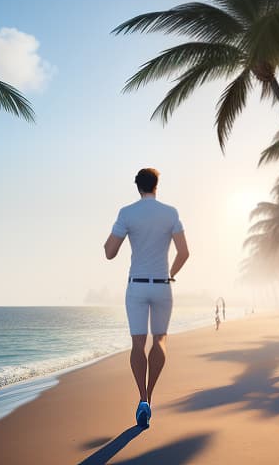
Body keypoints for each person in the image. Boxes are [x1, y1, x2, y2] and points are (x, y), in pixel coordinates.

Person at [104, 168, 189, 428]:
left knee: (138, 344)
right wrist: (170, 275)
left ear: (137, 186)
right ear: (156, 185)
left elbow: (109, 252)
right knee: (160, 340)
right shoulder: (170, 213)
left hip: (137, 286)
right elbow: (184, 253)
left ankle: (142, 399)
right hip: (162, 285)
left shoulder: (127, 213)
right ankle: (150, 396)